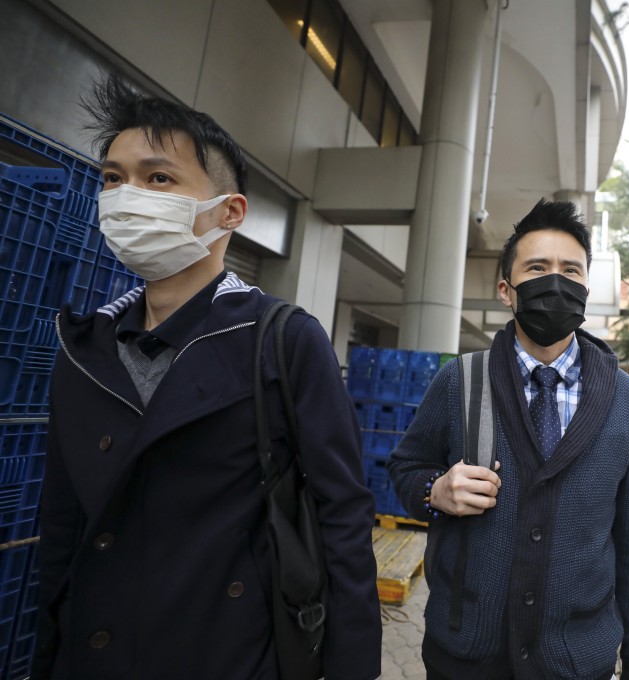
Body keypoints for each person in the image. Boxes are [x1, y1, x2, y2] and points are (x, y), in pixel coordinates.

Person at [33, 76, 382, 680]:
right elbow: (62, 527)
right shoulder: (82, 346)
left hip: (228, 654)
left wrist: (351, 668)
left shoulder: (284, 339)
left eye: (158, 178)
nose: (125, 196)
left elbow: (342, 513)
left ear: (230, 213)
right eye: (113, 178)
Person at [387, 199, 629, 680]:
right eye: (537, 267)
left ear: (585, 288)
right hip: (465, 655)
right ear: (506, 290)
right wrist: (434, 491)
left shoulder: (627, 402)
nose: (555, 282)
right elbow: (405, 468)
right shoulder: (460, 382)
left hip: (576, 662)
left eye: (570, 270)